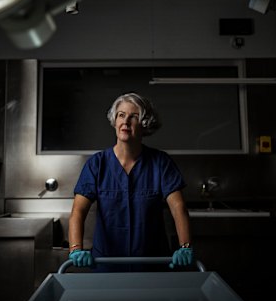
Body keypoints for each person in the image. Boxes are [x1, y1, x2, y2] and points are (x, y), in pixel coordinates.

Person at [67, 92, 193, 272]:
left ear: (145, 123)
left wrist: (185, 247)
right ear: (115, 121)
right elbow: (78, 211)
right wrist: (76, 249)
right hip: (107, 265)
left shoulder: (161, 163)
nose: (125, 121)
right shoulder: (97, 164)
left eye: (133, 116)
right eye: (121, 115)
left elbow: (178, 207)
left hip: (151, 265)